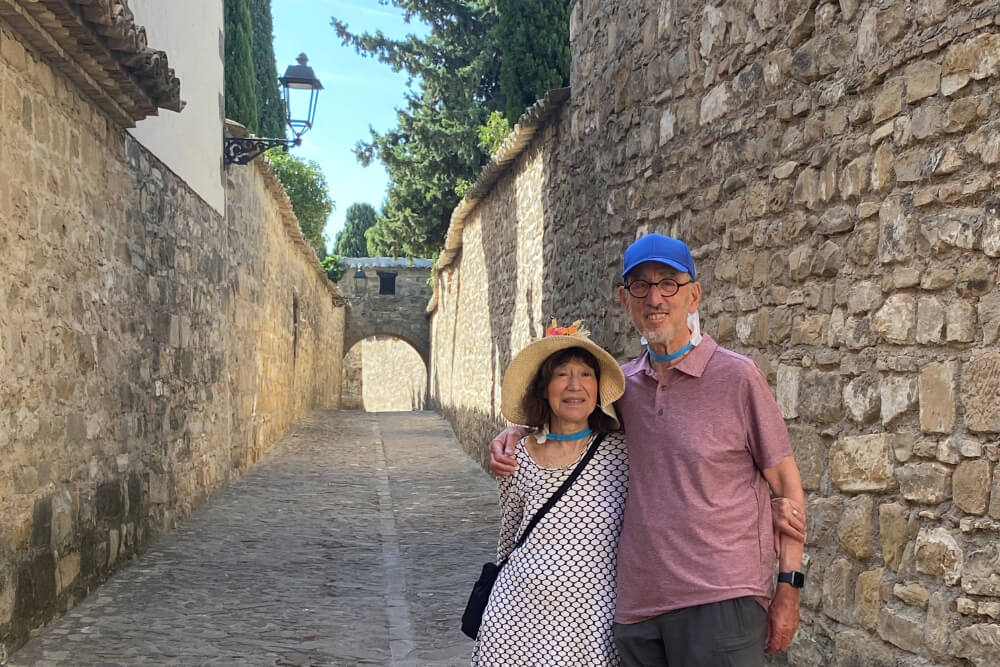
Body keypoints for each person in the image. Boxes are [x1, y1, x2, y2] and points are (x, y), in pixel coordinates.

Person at [490, 234, 806, 667]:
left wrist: (789, 586)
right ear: (625, 300)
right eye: (640, 285)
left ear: (694, 295)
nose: (655, 297)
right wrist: (517, 431)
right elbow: (568, 409)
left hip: (719, 602)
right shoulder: (618, 388)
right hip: (637, 610)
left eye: (668, 283)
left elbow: (787, 487)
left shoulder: (738, 378)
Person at [471, 321, 629, 666]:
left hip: (590, 626)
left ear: (599, 387)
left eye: (586, 374)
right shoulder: (517, 455)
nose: (575, 385)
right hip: (514, 622)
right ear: (544, 388)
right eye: (562, 375)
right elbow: (509, 536)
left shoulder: (623, 453)